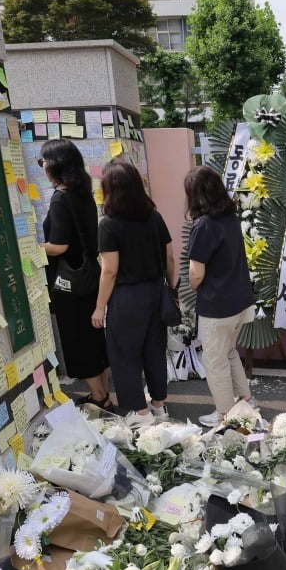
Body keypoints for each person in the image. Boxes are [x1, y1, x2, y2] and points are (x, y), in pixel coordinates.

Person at [92, 160, 174, 428]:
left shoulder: (109, 225)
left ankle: (140, 413)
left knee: (125, 355)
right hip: (155, 291)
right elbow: (170, 257)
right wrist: (170, 289)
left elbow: (110, 271)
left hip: (127, 298)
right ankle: (159, 406)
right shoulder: (154, 216)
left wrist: (99, 307)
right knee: (154, 350)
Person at [40, 140, 112, 410]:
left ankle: (101, 398)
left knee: (78, 343)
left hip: (68, 283)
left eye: (43, 161)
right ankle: (101, 394)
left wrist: (31, 248)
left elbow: (59, 245)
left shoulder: (61, 198)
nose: (43, 166)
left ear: (57, 165)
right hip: (90, 276)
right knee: (94, 340)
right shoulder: (84, 194)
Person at [183, 166, 257, 427]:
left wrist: (193, 287)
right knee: (228, 352)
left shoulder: (203, 225)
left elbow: (195, 272)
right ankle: (246, 398)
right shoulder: (229, 217)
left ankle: (225, 414)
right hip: (239, 299)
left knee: (215, 360)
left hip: (217, 305)